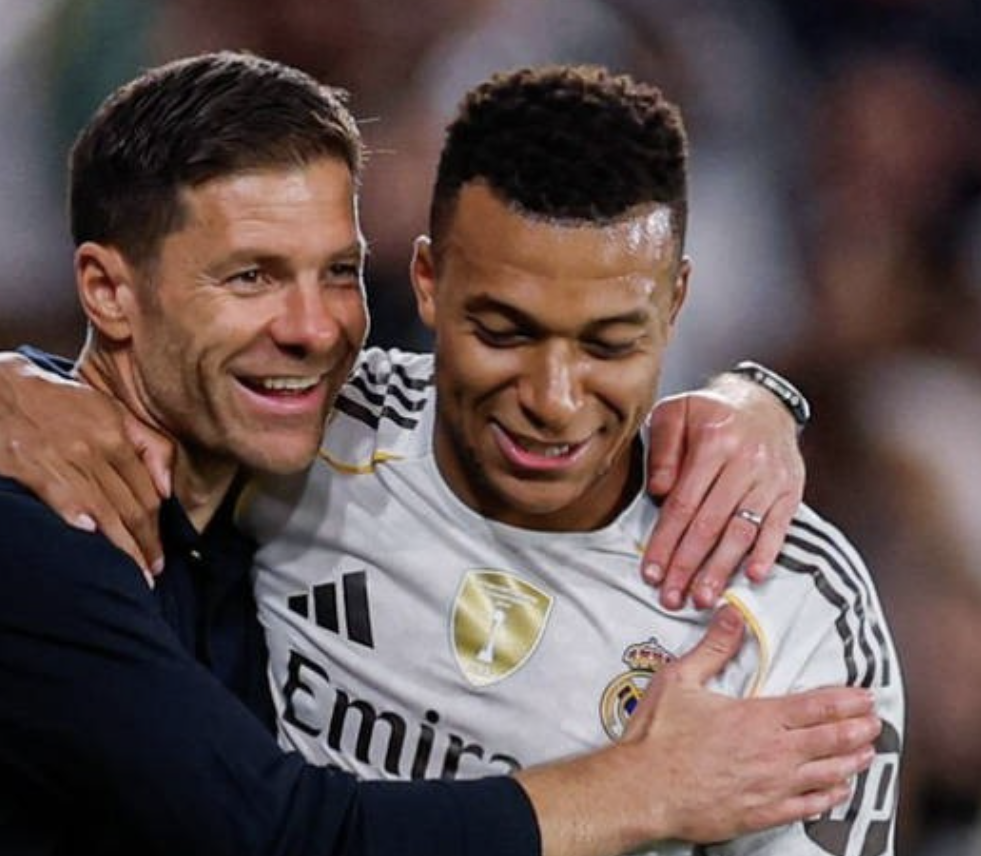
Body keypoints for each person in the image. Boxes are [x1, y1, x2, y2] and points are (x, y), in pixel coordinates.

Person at [0, 52, 878, 856]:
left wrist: (759, 397)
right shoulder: (9, 537)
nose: (314, 328)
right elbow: (285, 837)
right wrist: (646, 786)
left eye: (335, 272)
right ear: (108, 291)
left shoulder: (236, 492)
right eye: (252, 276)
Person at [242, 64, 904, 854]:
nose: (553, 400)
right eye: (504, 333)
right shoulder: (299, 438)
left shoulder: (789, 595)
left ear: (675, 304)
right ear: (428, 281)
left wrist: (764, 394)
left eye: (610, 345)